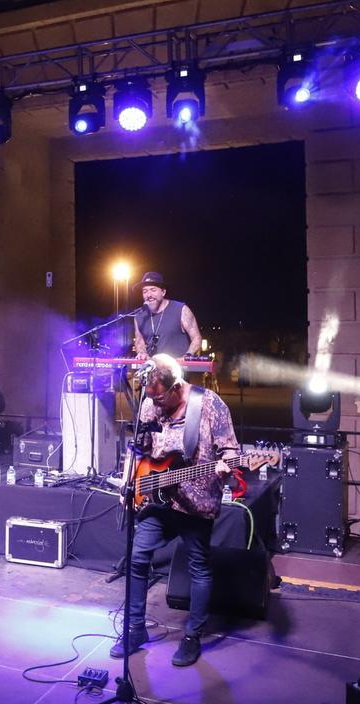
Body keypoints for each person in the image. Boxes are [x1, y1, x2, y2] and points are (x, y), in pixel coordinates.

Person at [110, 354, 239, 667]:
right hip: (156, 496)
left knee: (198, 566)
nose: (156, 402)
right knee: (138, 557)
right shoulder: (149, 403)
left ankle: (192, 636)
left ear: (177, 386)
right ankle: (136, 629)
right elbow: (137, 448)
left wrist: (225, 467)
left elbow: (232, 452)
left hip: (196, 503)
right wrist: (130, 483)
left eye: (160, 396)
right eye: (151, 396)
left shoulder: (209, 405)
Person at [132, 271, 202, 359]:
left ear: (163, 292)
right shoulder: (139, 316)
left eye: (153, 290)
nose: (149, 295)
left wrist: (187, 356)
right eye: (145, 291)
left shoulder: (181, 309)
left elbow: (197, 338)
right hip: (153, 370)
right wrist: (142, 353)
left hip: (178, 369)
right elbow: (139, 341)